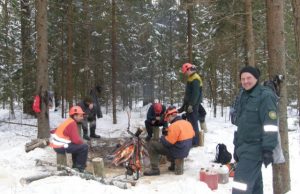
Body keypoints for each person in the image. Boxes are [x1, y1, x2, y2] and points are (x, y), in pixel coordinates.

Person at [232, 66, 278, 194]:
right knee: (255, 187)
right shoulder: (243, 95)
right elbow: (241, 123)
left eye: (249, 78)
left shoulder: (265, 96)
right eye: (243, 79)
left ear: (256, 78)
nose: (245, 81)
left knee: (240, 188)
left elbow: (270, 125)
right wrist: (237, 146)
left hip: (255, 149)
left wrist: (268, 149)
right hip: (243, 147)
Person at [143, 106, 195, 176]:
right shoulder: (187, 123)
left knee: (152, 145)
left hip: (177, 150)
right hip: (185, 150)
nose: (168, 120)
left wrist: (163, 137)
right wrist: (169, 133)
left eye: (168, 117)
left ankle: (155, 169)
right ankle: (174, 165)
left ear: (171, 115)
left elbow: (168, 143)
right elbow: (191, 135)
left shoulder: (174, 126)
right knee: (176, 143)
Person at [49, 106, 89, 172]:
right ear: (75, 116)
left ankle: (76, 166)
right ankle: (80, 168)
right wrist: (82, 142)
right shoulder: (72, 123)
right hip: (60, 146)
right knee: (84, 147)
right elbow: (76, 140)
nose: (82, 117)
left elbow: (57, 130)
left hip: (57, 145)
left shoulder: (68, 121)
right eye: (80, 115)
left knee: (77, 146)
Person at [180, 62, 205, 146]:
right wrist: (183, 107)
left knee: (193, 123)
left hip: (193, 105)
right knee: (190, 123)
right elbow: (188, 93)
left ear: (189, 69)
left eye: (186, 72)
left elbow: (195, 94)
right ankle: (192, 140)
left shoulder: (195, 79)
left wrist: (191, 105)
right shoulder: (191, 77)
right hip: (190, 104)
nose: (186, 74)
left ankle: (195, 142)